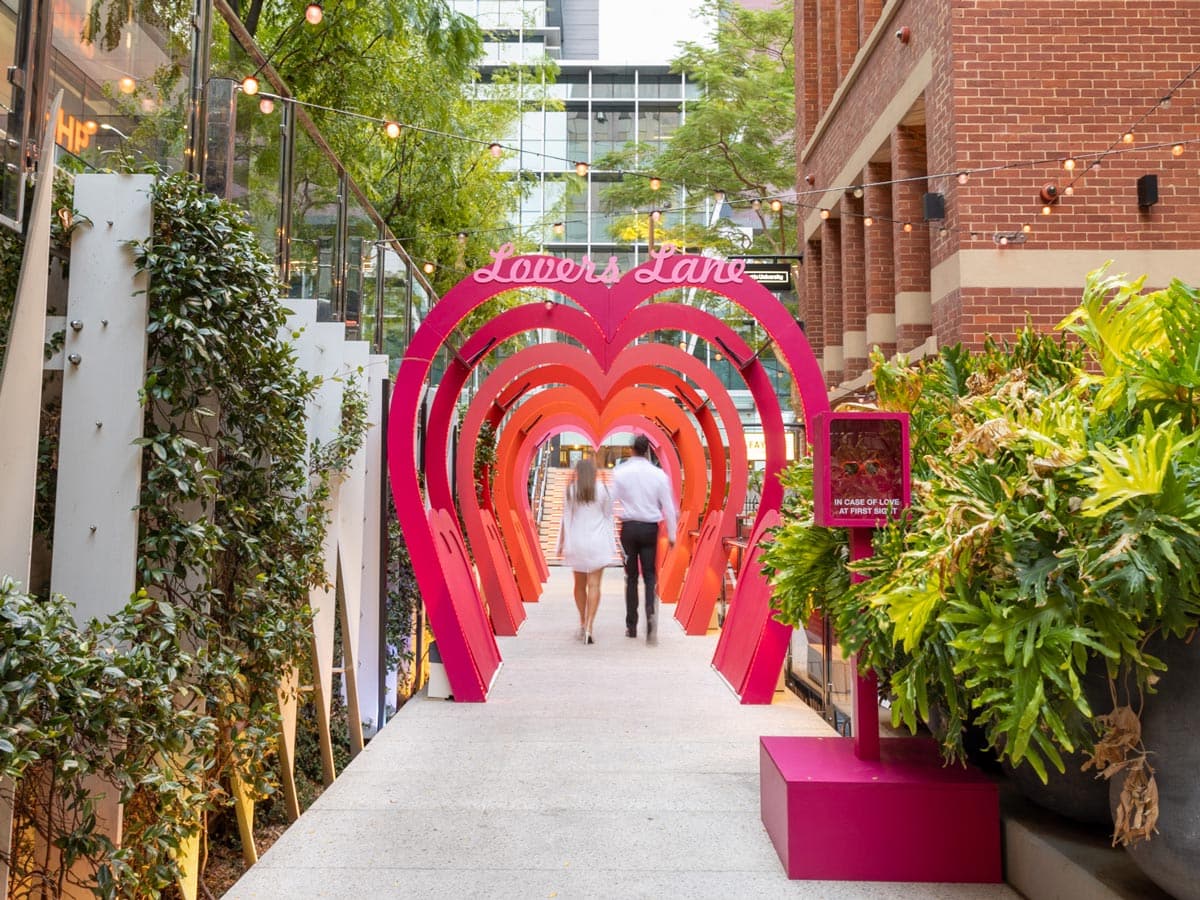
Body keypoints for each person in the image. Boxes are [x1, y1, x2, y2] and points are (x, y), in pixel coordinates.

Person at [611, 434, 678, 644]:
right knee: (650, 576)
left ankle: (631, 625)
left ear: (632, 450)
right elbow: (669, 506)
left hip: (629, 528)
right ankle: (651, 616)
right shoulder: (659, 475)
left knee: (630, 578)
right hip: (650, 529)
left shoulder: (620, 472)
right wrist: (673, 535)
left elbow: (610, 500)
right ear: (648, 450)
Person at [556, 457, 614, 645]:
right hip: (597, 542)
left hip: (577, 542)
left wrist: (561, 545)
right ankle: (590, 626)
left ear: (578, 472)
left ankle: (582, 621)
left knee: (579, 585)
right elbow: (608, 515)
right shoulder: (603, 488)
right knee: (595, 585)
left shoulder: (571, 490)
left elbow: (565, 518)